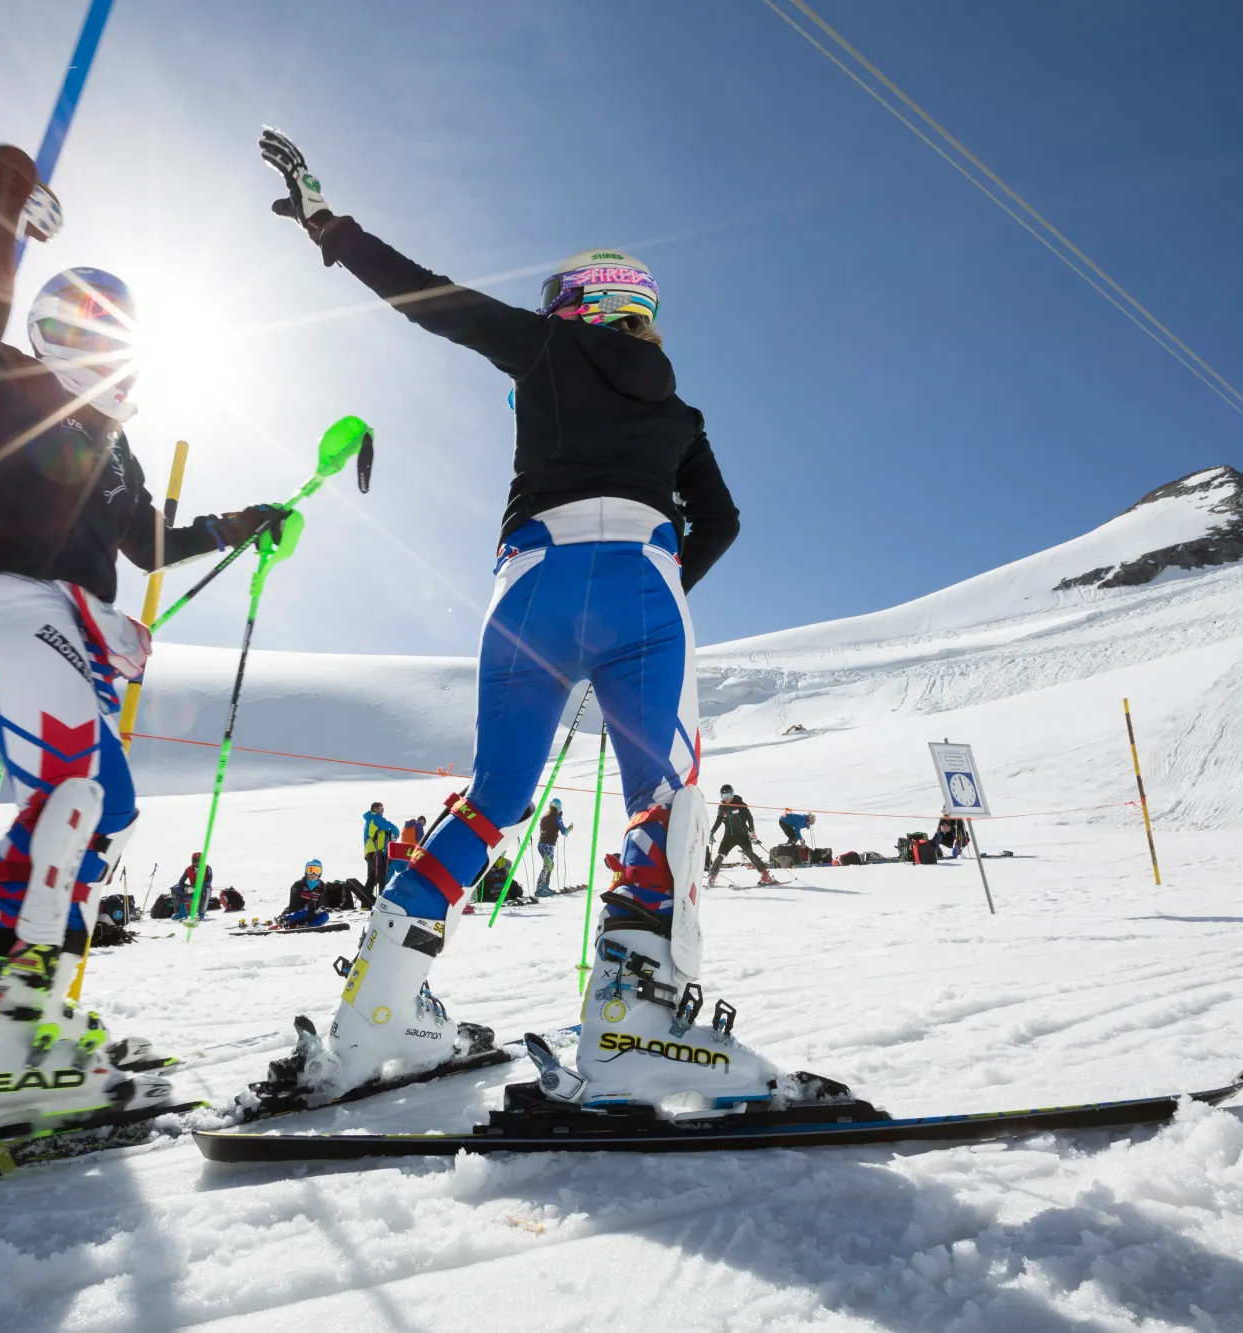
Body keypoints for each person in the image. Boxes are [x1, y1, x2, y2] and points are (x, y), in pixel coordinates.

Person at [248, 129, 848, 1117]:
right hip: (641, 587)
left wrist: (326, 222)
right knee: (662, 794)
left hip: (526, 583)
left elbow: (427, 296)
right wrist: (658, 591)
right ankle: (632, 1032)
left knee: (492, 799)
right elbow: (728, 519)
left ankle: (376, 1014)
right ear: (639, 309)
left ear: (571, 303)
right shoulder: (681, 413)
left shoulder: (544, 347)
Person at [0, 142, 290, 1143]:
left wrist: (243, 519)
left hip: (68, 623)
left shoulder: (113, 444)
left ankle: (16, 1001)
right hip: (10, 602)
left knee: (101, 806)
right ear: (49, 327)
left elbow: (145, 541)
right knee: (69, 793)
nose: (101, 343)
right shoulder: (15, 382)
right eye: (83, 321)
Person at [707, 785, 777, 886]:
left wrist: (752, 832)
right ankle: (712, 877)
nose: (727, 798)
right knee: (720, 855)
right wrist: (712, 832)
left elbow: (749, 817)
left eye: (729, 795)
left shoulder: (740, 804)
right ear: (721, 796)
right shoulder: (722, 807)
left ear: (732, 794)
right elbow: (718, 820)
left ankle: (766, 876)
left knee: (749, 853)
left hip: (742, 835)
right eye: (724, 796)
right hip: (729, 836)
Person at [361, 802, 398, 905]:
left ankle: (366, 903)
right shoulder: (375, 818)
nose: (383, 810)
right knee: (382, 876)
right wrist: (397, 833)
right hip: (375, 852)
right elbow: (390, 826)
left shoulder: (370, 819)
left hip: (370, 852)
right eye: (381, 808)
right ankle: (382, 902)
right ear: (375, 808)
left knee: (372, 879)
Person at [280, 860, 332, 929]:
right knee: (306, 911)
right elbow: (293, 906)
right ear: (306, 872)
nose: (313, 874)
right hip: (299, 913)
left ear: (320, 872)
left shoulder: (322, 886)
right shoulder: (298, 885)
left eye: (316, 870)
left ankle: (305, 926)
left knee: (325, 916)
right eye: (310, 870)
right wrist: (308, 900)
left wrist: (320, 907)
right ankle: (285, 920)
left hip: (311, 914)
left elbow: (323, 904)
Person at [534, 798, 570, 895]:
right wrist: (569, 829)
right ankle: (540, 887)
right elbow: (564, 831)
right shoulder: (557, 817)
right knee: (548, 865)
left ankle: (545, 886)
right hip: (548, 844)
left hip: (541, 844)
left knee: (550, 865)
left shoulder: (544, 816)